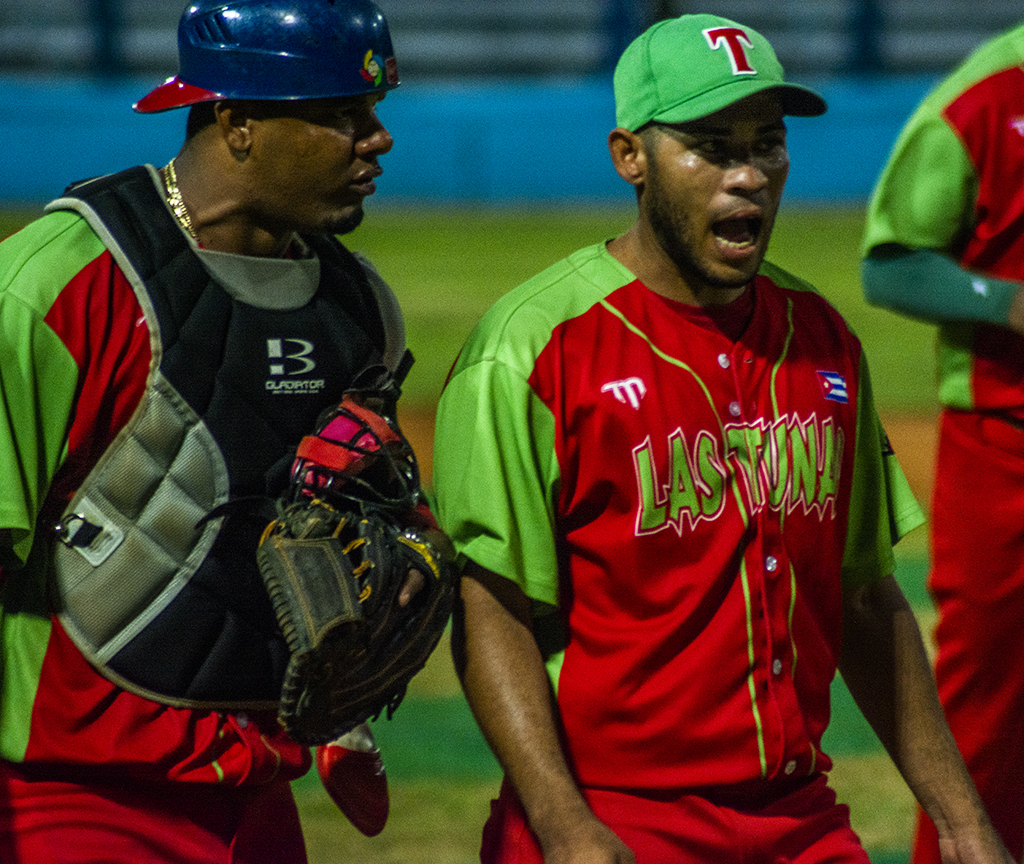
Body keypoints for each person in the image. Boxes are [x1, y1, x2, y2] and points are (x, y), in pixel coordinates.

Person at [432, 13, 1013, 864]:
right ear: (630, 155)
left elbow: (864, 597)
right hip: (613, 817)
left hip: (800, 817)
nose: (748, 176)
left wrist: (962, 823)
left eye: (767, 144)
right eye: (710, 146)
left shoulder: (820, 340)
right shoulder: (529, 351)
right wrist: (565, 829)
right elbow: (492, 609)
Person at [0, 0, 430, 860]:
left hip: (258, 796)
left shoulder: (358, 309)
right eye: (340, 115)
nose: (375, 138)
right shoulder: (58, 286)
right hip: (76, 800)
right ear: (236, 122)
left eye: (374, 111)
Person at [861, 21, 1024, 864]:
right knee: (987, 704)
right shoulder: (981, 100)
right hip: (1006, 449)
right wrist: (1002, 302)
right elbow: (890, 264)